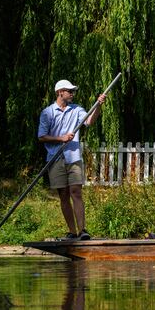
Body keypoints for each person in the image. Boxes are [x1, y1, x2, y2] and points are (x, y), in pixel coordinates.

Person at [38, 79, 107, 240]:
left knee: (76, 192)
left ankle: (82, 231)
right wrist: (60, 138)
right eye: (69, 91)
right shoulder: (47, 113)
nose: (72, 93)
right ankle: (72, 231)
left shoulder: (76, 110)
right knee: (63, 195)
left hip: (73, 157)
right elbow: (41, 136)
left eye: (72, 91)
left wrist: (98, 105)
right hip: (55, 159)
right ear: (60, 92)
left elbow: (89, 121)